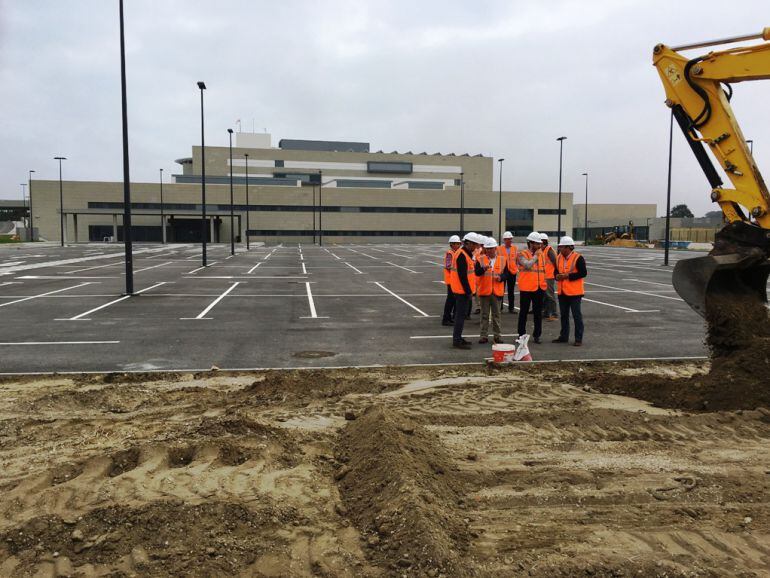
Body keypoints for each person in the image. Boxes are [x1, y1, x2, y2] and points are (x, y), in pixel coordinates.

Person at [552, 236, 587, 346]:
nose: (559, 249)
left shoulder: (578, 258)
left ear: (568, 248)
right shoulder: (558, 258)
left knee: (577, 316)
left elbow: (583, 273)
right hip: (562, 292)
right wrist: (556, 276)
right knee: (564, 316)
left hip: (575, 293)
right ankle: (564, 336)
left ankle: (578, 338)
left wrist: (567, 276)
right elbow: (555, 271)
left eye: (561, 247)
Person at [449, 233, 480, 349]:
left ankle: (458, 338)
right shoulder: (462, 255)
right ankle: (457, 340)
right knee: (460, 317)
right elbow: (463, 277)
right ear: (468, 243)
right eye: (474, 244)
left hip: (463, 291)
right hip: (462, 291)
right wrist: (468, 292)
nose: (476, 247)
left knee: (460, 316)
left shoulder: (466, 254)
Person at [517, 231, 547, 344]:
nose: (539, 246)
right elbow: (528, 265)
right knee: (523, 313)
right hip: (526, 288)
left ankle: (537, 335)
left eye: (540, 244)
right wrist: (536, 256)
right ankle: (521, 335)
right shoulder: (522, 254)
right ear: (530, 243)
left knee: (538, 313)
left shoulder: (541, 254)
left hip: (539, 288)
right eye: (536, 243)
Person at [475, 238, 506, 344]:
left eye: (491, 248)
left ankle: (497, 336)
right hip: (484, 291)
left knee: (496, 315)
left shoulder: (502, 260)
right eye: (487, 249)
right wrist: (483, 268)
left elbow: (506, 275)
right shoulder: (480, 259)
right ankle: (483, 336)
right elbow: (477, 273)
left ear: (495, 248)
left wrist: (501, 278)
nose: (489, 250)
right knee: (484, 315)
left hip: (496, 292)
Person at [442, 235, 462, 326]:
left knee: (453, 300)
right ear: (452, 244)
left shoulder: (457, 253)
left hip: (454, 280)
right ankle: (446, 319)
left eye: (459, 243)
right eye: (457, 244)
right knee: (450, 300)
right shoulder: (450, 253)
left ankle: (449, 318)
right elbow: (448, 266)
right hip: (451, 280)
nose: (459, 245)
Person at [497, 231, 518, 313]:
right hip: (503, 272)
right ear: (504, 240)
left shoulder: (514, 248)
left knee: (511, 291)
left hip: (512, 272)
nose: (509, 240)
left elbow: (516, 259)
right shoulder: (499, 249)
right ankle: (500, 307)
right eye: (507, 239)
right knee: (501, 290)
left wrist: (516, 268)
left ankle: (511, 308)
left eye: (510, 239)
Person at [540, 233, 559, 321]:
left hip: (549, 276)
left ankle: (554, 313)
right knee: (545, 296)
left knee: (550, 295)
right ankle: (546, 313)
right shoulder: (542, 251)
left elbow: (556, 262)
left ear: (543, 242)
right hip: (544, 276)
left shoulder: (549, 250)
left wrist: (556, 273)